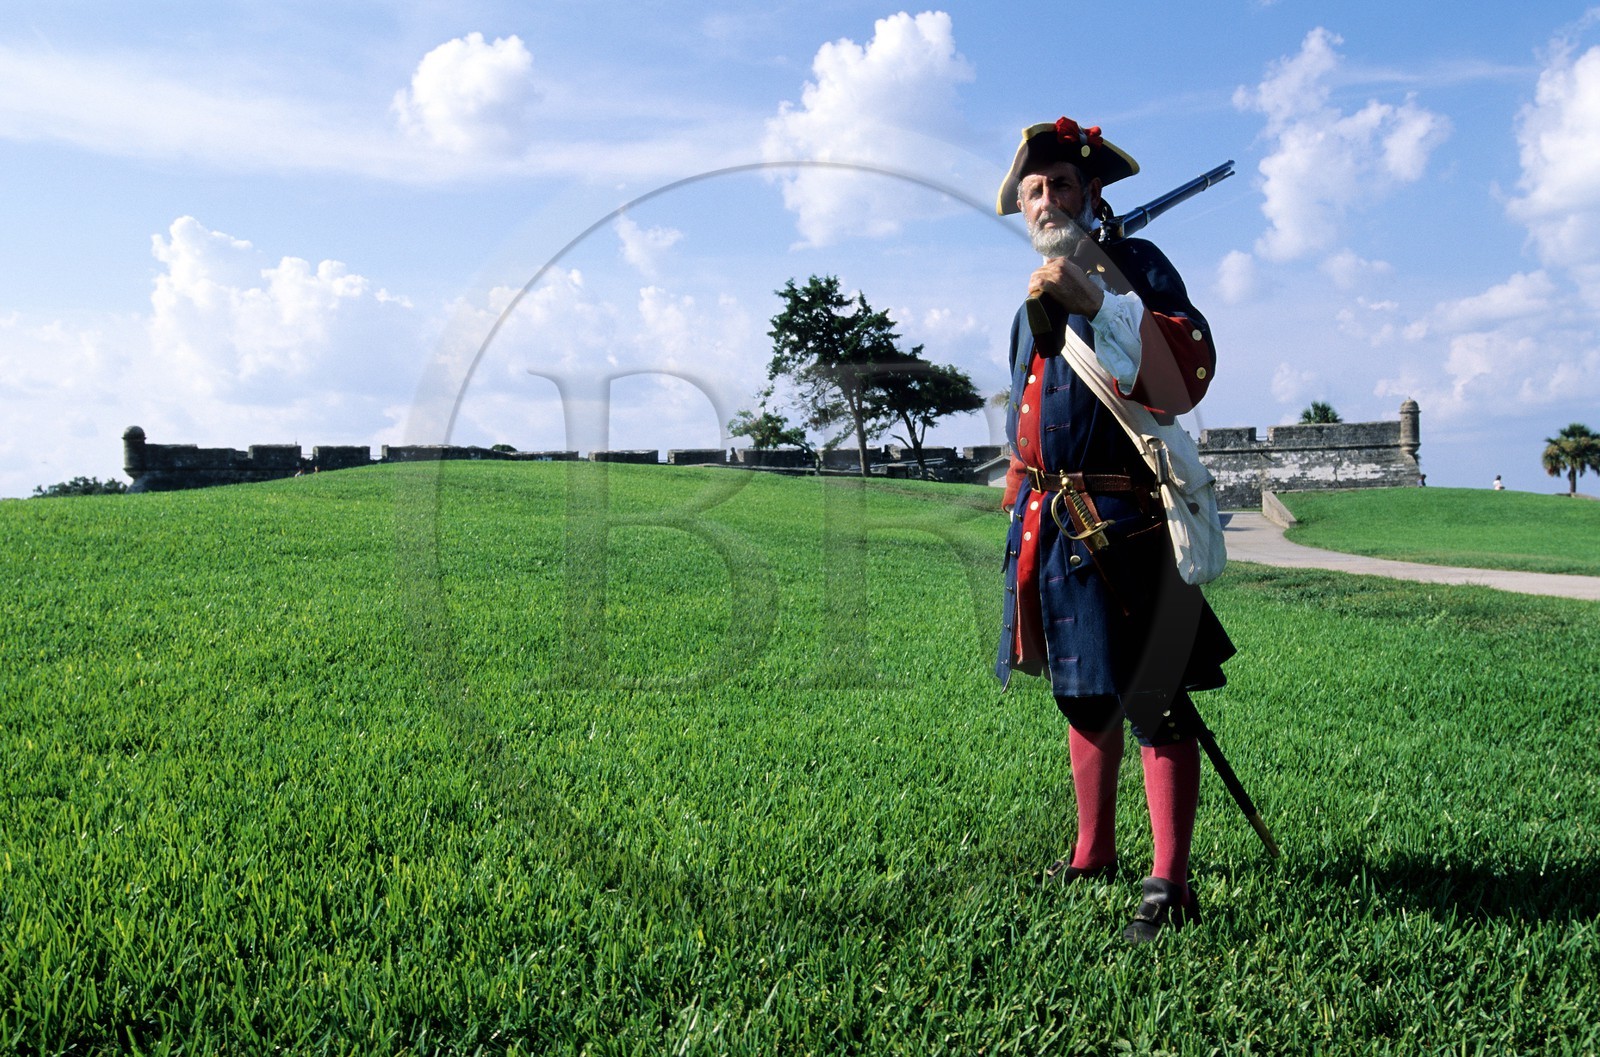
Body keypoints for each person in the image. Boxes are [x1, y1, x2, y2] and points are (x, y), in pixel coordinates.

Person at [993, 118, 1236, 943]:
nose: (1047, 199)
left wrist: (1099, 299)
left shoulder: (1138, 269)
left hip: (1130, 520)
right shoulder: (1028, 301)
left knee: (1154, 700)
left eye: (1061, 184)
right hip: (1053, 521)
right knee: (1081, 688)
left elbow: (1184, 375)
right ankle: (1091, 851)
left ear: (1091, 194)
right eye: (1034, 190)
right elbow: (1033, 407)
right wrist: (1021, 483)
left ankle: (1170, 880)